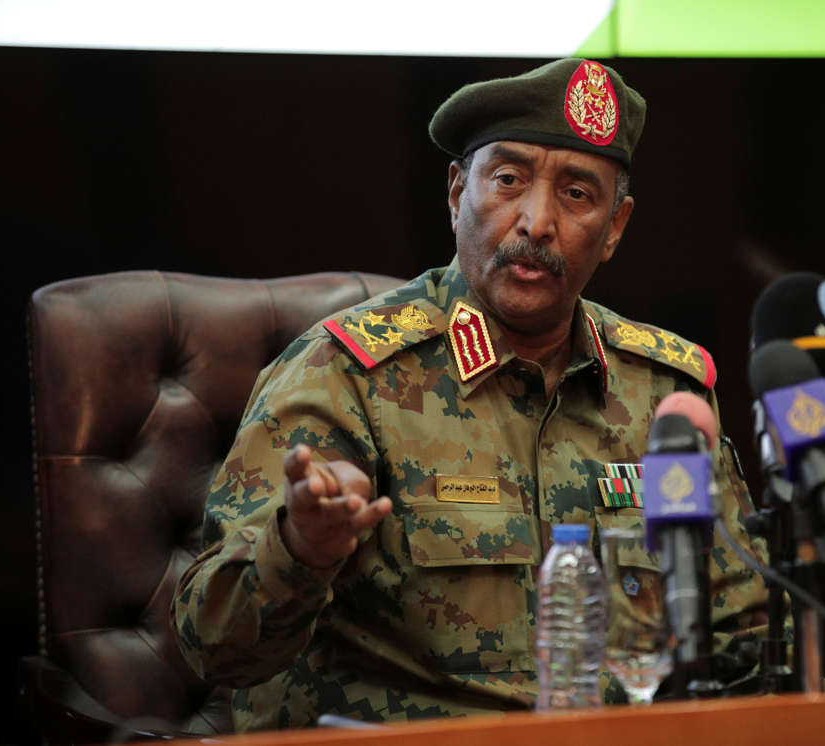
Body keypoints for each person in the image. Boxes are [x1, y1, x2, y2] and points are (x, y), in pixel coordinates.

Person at [172, 57, 772, 731]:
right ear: (458, 193)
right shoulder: (347, 376)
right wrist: (302, 549)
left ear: (614, 227)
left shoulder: (663, 393)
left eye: (577, 194)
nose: (537, 222)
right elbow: (212, 645)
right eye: (508, 180)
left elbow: (747, 636)